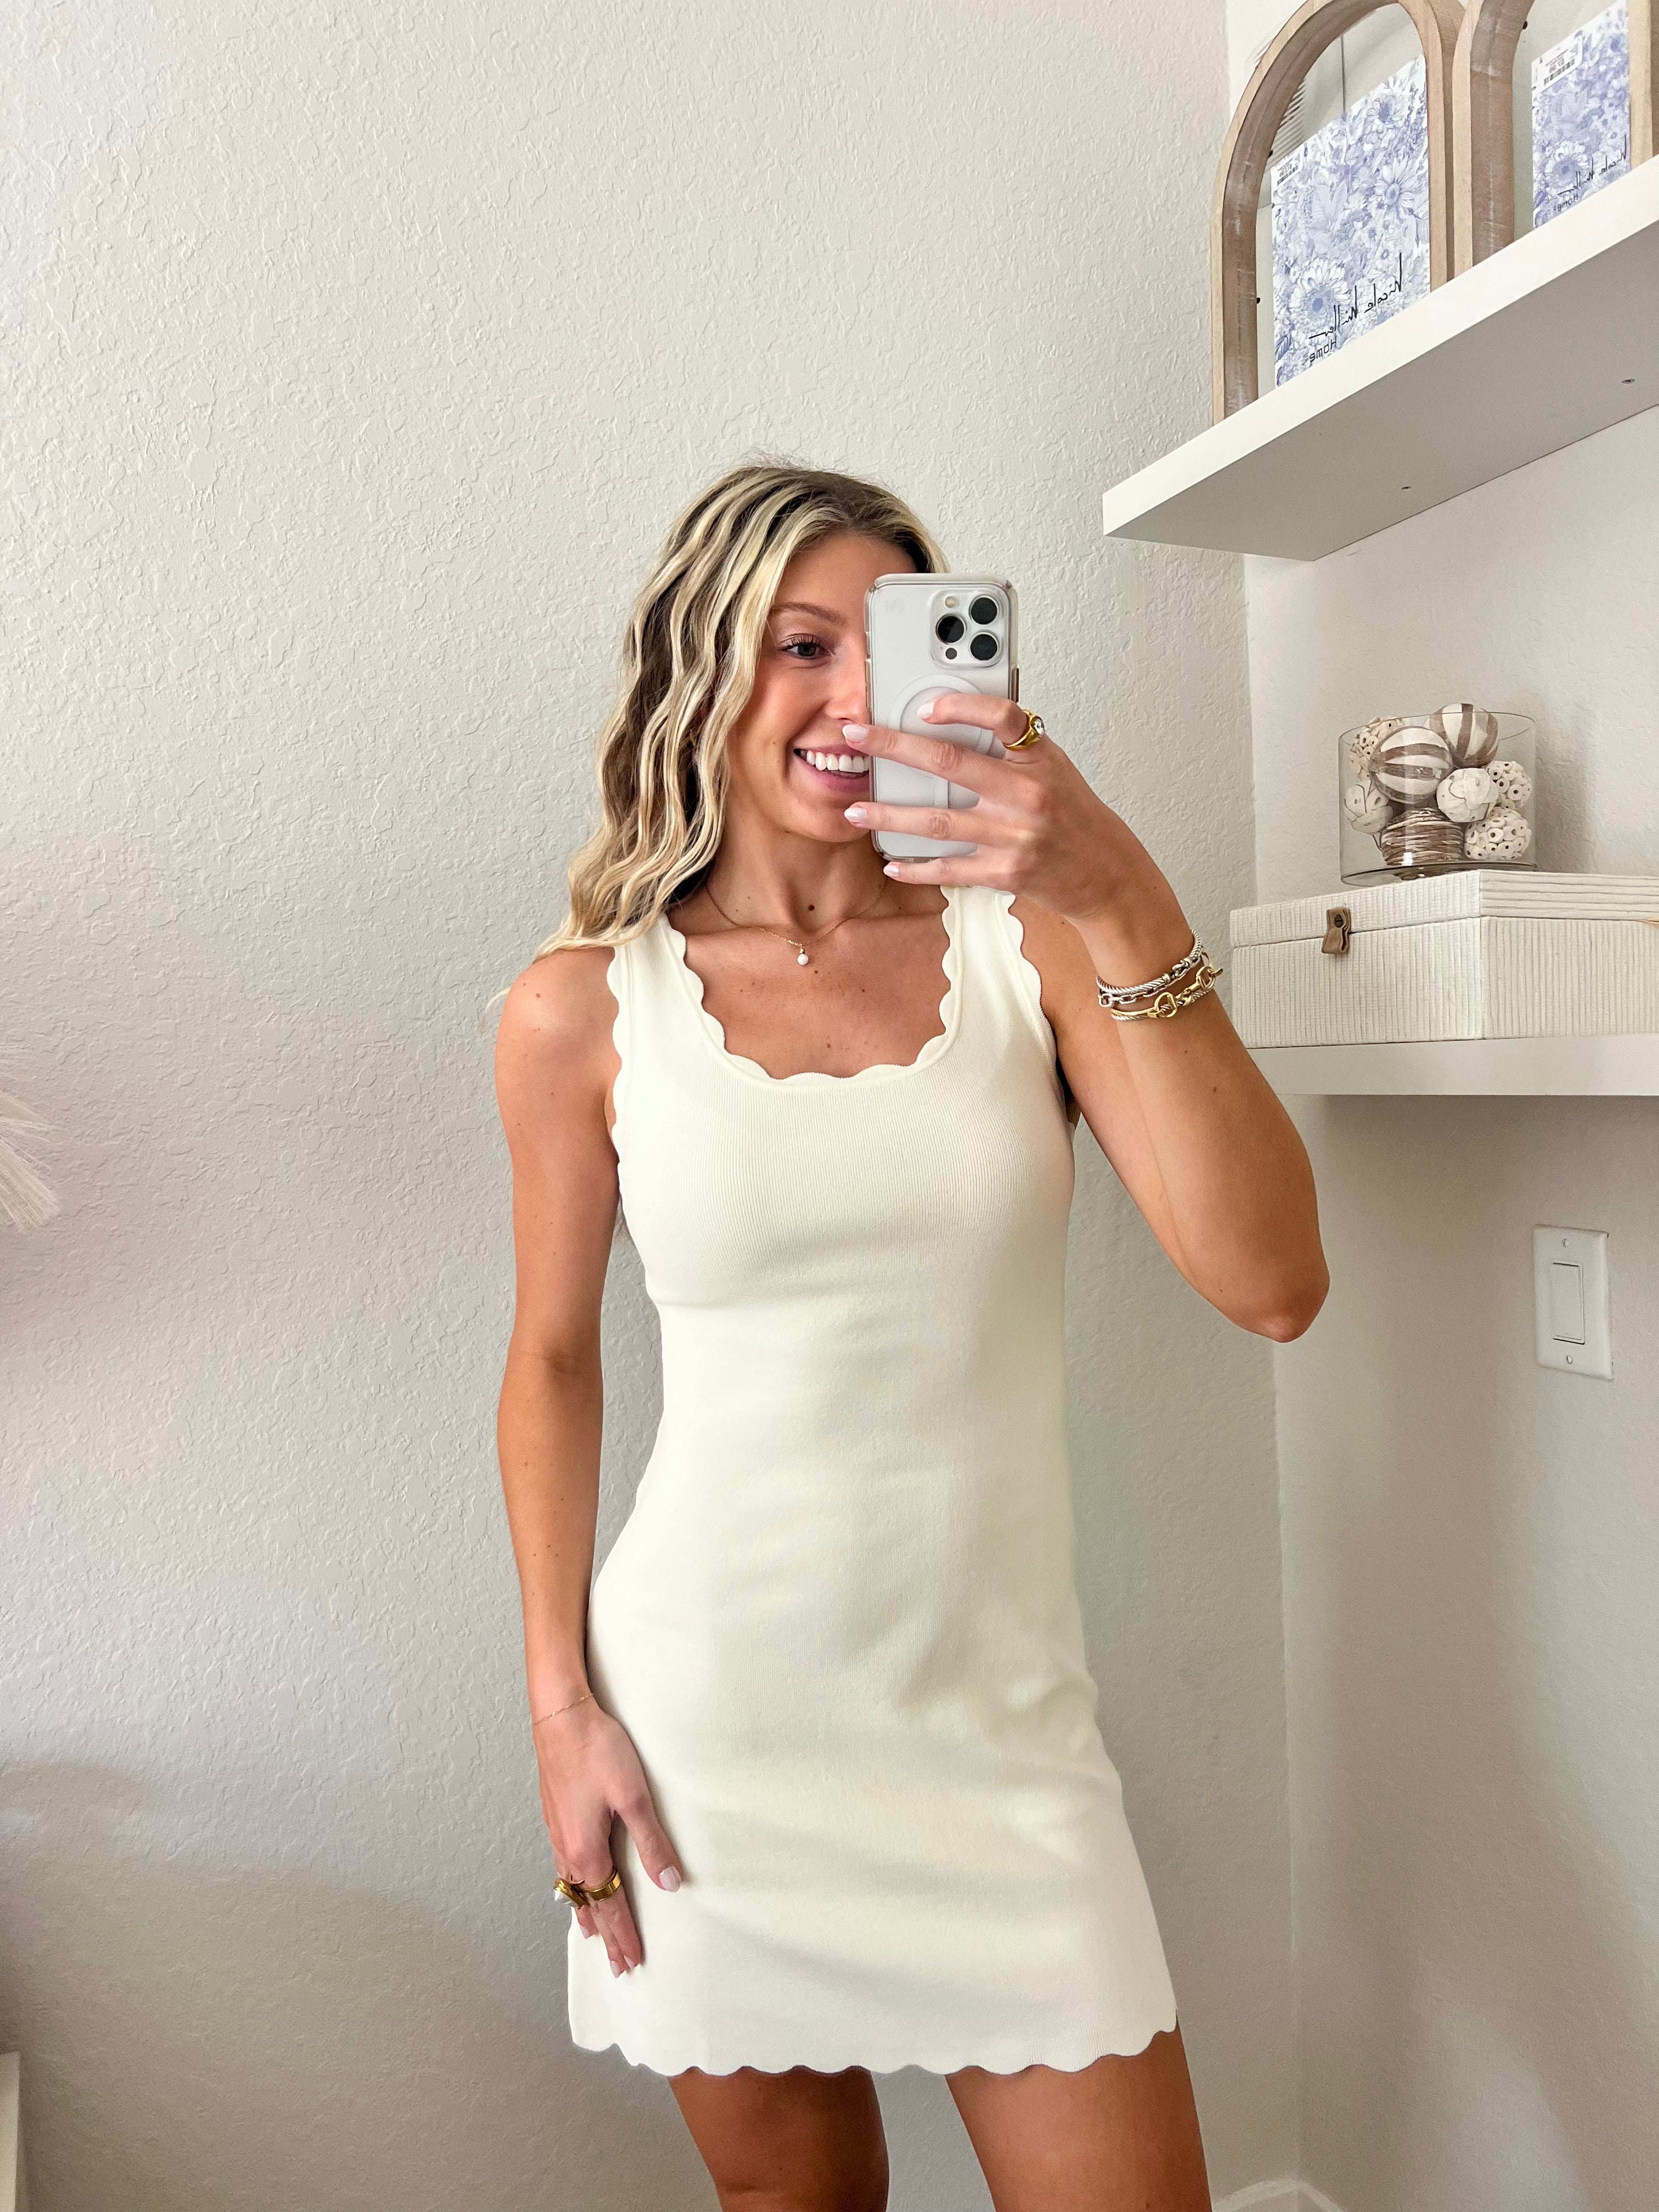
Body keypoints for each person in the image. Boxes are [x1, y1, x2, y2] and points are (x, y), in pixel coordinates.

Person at [493, 462, 1327, 2212]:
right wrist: (563, 1712)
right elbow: (551, 1362)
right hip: (712, 1726)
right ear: (699, 666)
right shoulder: (581, 1008)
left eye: (889, 643)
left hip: (998, 1736)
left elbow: (1272, 1283)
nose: (855, 699)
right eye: (801, 646)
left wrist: (1123, 890)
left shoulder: (1030, 945)